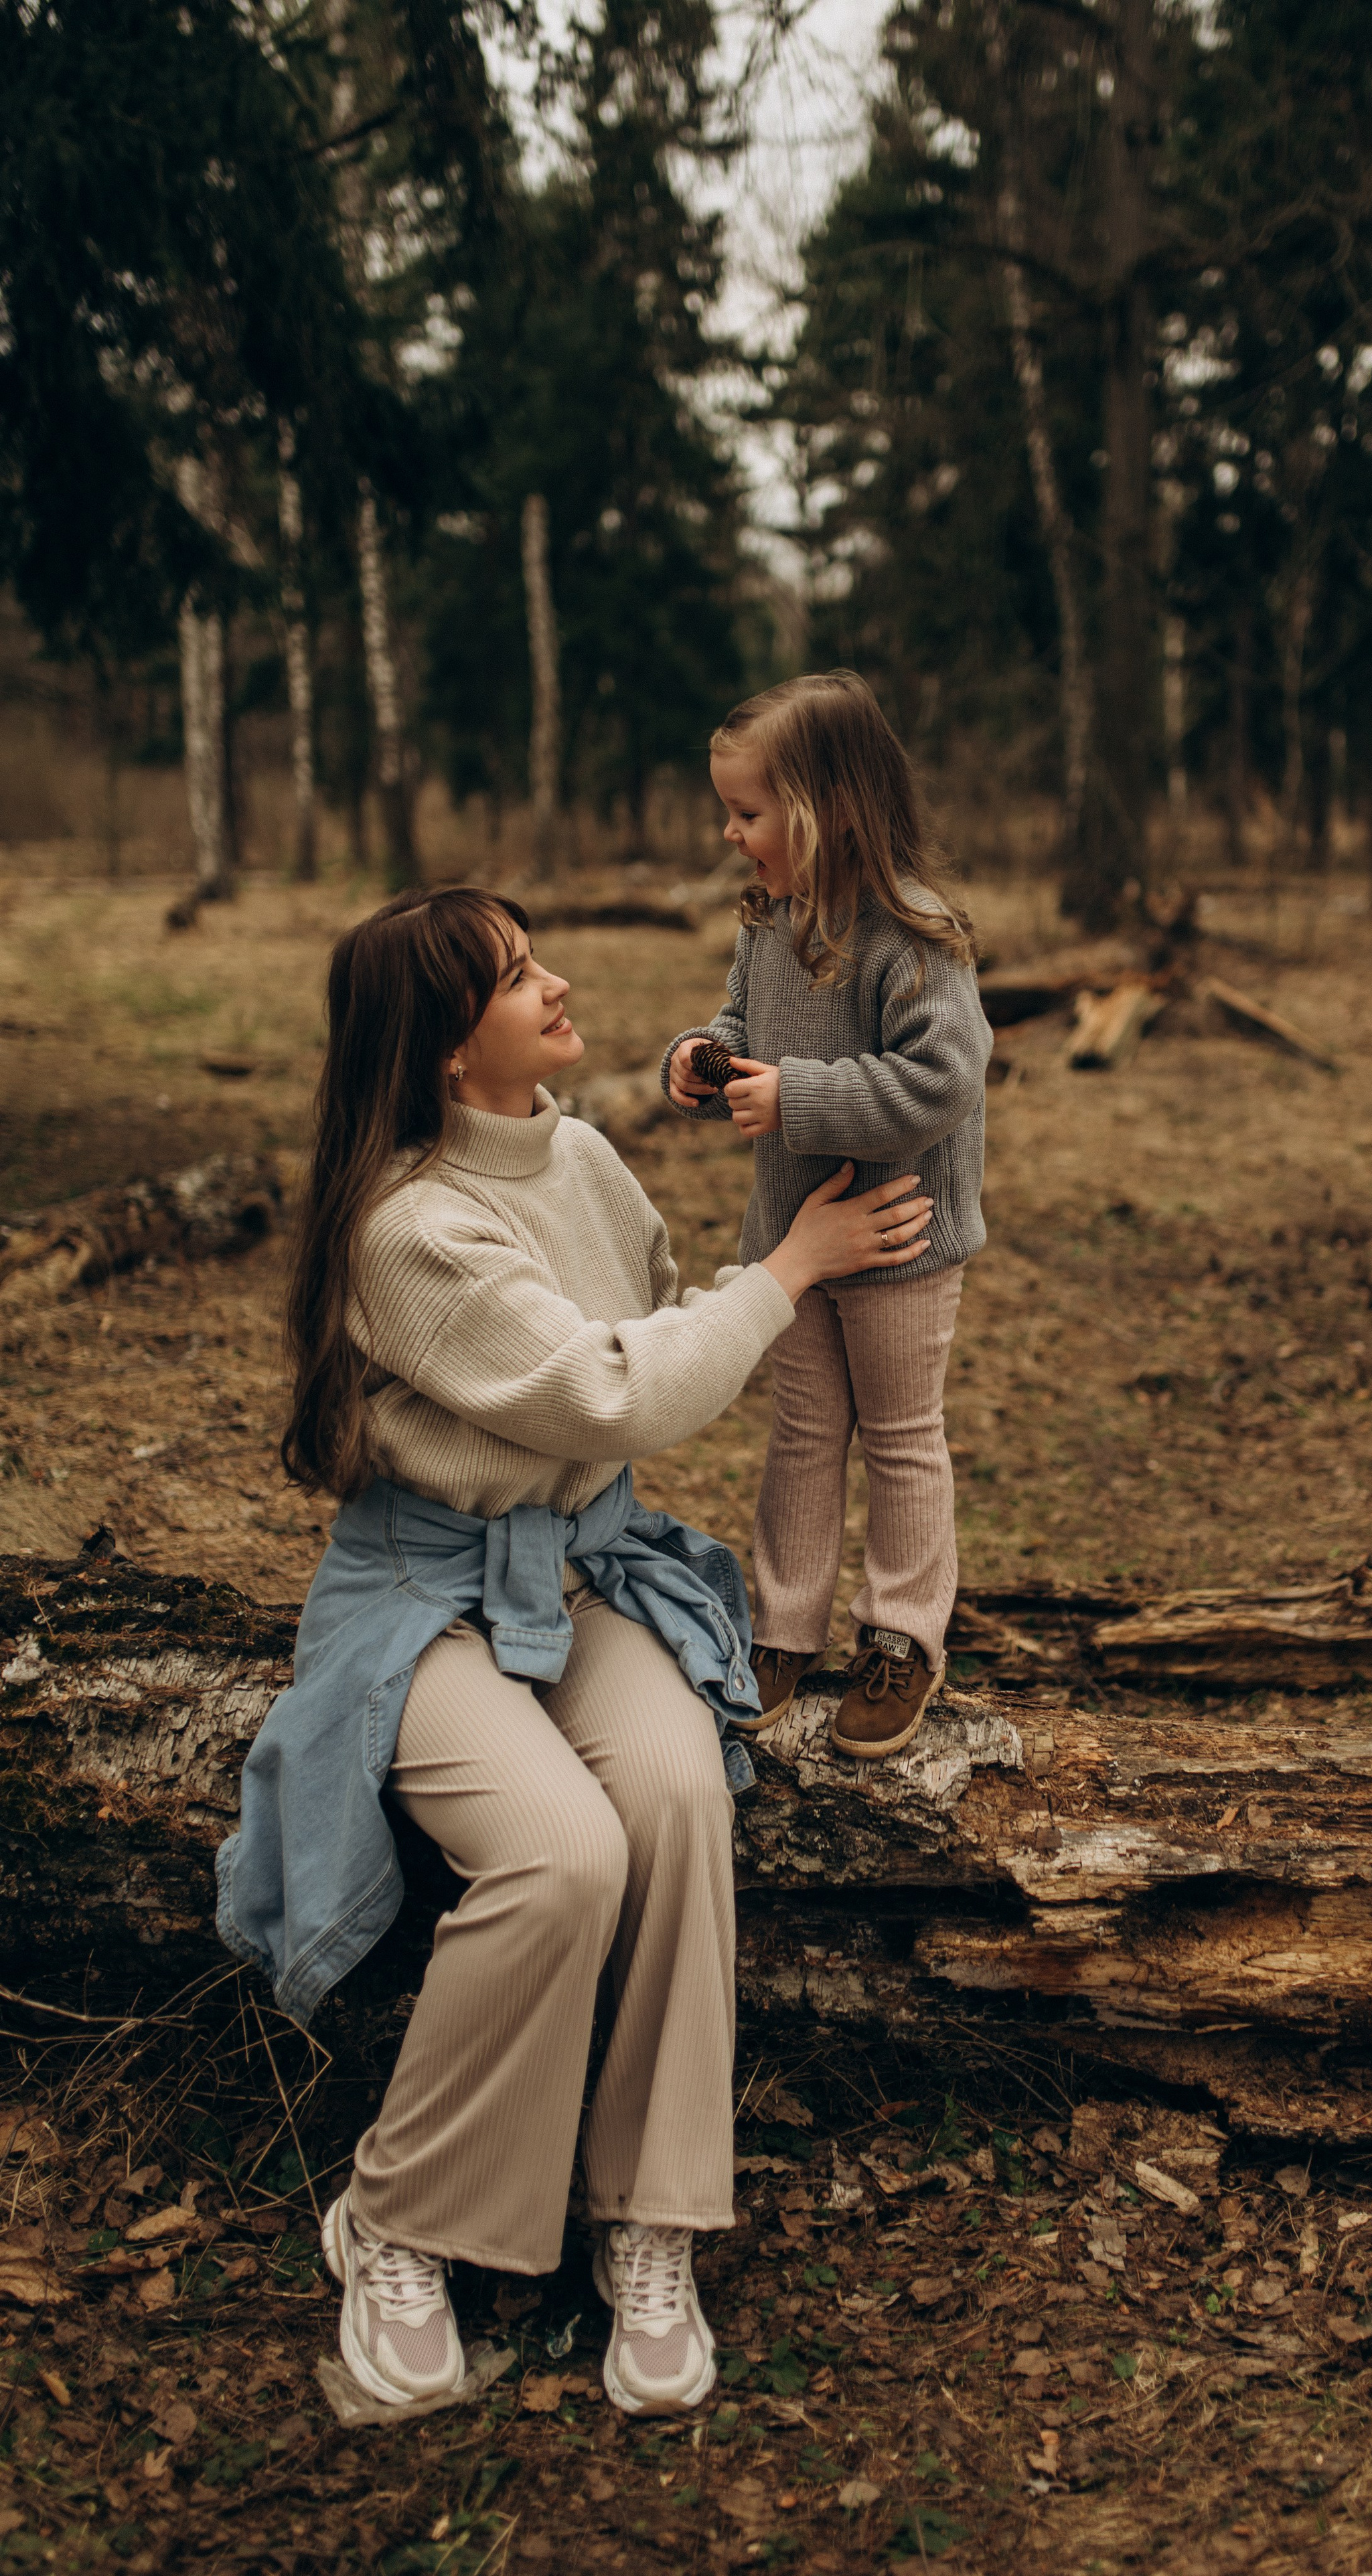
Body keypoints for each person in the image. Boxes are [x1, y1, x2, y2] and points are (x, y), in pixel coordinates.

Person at [215, 886, 932, 2417]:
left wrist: (786, 1271)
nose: (554, 983)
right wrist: (788, 1271)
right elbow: (608, 1391)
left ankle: (647, 2217)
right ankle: (397, 2217)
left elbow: (658, 1331)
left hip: (583, 1567)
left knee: (676, 1795)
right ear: (440, 1045)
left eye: (537, 956)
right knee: (560, 1852)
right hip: (426, 1598)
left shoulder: (583, 1156)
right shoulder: (408, 1228)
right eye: (513, 974)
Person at [663, 671, 990, 1761]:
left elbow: (942, 1082)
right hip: (793, 1243)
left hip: (899, 1237)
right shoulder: (769, 924)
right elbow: (741, 1019)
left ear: (827, 806)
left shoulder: (914, 933)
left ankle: (903, 1637)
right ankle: (782, 1628)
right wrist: (701, 1058)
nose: (731, 833)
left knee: (900, 1438)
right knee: (802, 1436)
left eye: (749, 814)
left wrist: (796, 1095)